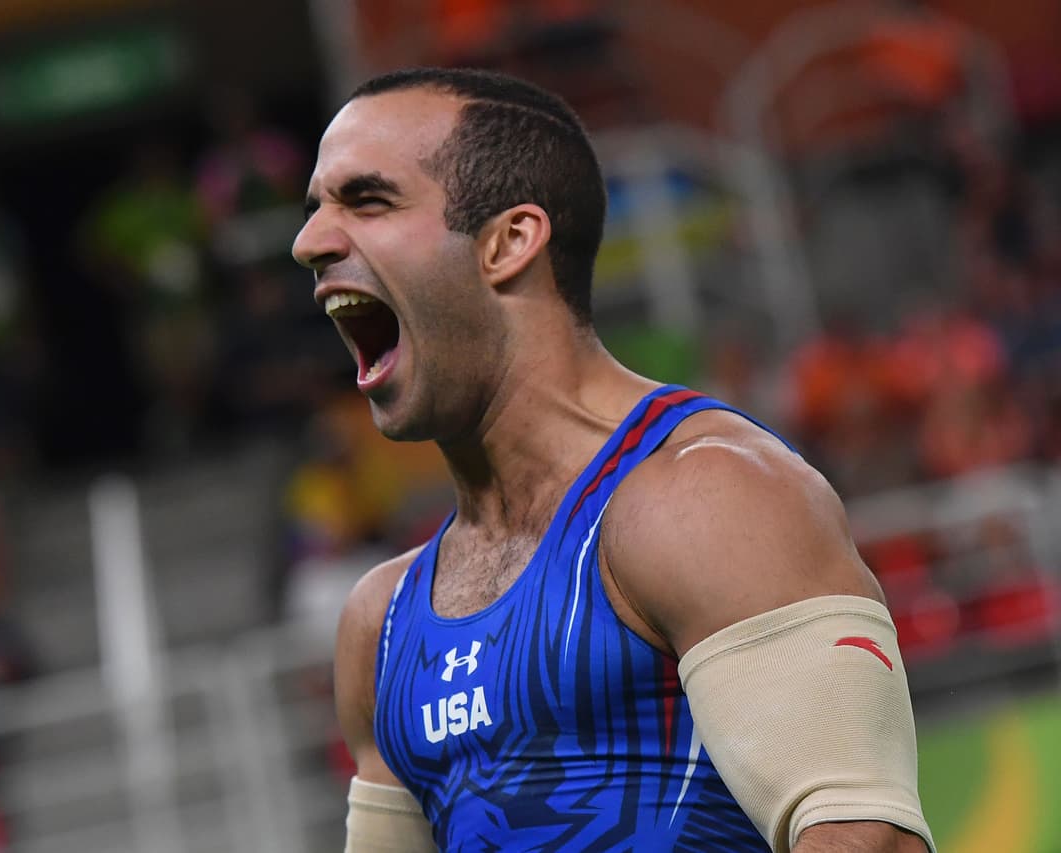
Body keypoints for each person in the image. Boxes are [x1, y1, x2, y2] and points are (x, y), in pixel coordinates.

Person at [292, 68, 935, 853]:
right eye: (315, 208)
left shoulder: (704, 498)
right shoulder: (382, 625)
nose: (309, 242)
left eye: (367, 200)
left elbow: (871, 838)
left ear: (508, 242)